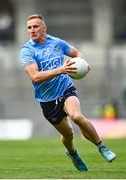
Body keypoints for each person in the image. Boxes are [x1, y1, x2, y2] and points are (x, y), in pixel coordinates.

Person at [20, 14, 116, 172]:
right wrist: (61, 69)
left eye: (36, 26)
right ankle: (73, 154)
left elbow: (77, 54)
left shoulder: (57, 43)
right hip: (47, 100)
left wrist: (82, 65)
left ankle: (102, 147)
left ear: (44, 28)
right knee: (69, 134)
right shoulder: (27, 51)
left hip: (65, 88)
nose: (32, 30)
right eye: (29, 28)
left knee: (77, 116)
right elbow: (35, 77)